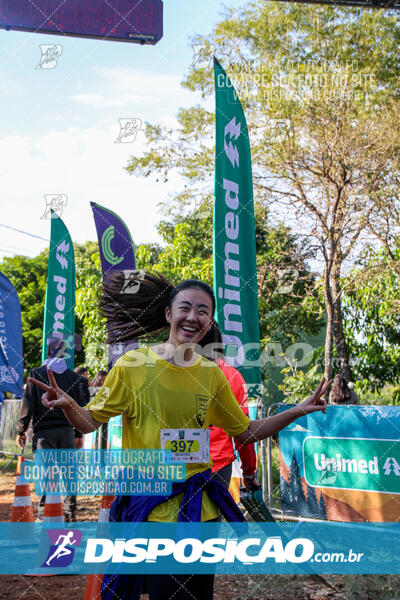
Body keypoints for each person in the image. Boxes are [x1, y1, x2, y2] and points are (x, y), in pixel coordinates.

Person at [29, 272, 331, 600]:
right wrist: (70, 404)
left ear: (210, 321)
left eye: (203, 311)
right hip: (153, 511)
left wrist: (299, 409)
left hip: (203, 511)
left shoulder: (212, 374)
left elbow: (245, 431)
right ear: (169, 314)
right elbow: (88, 422)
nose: (193, 317)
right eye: (185, 308)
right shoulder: (133, 366)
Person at [17, 339, 90, 521]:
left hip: (43, 433)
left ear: (48, 352)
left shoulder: (35, 374)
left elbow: (28, 406)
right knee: (69, 473)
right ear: (65, 354)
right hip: (66, 431)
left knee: (46, 473)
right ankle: (69, 511)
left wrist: (21, 430)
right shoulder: (75, 379)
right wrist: (79, 433)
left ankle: (45, 511)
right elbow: (80, 408)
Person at [197, 322, 258, 490]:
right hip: (218, 466)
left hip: (177, 464)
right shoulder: (233, 376)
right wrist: (249, 471)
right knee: (212, 515)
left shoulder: (170, 371)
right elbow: (243, 434)